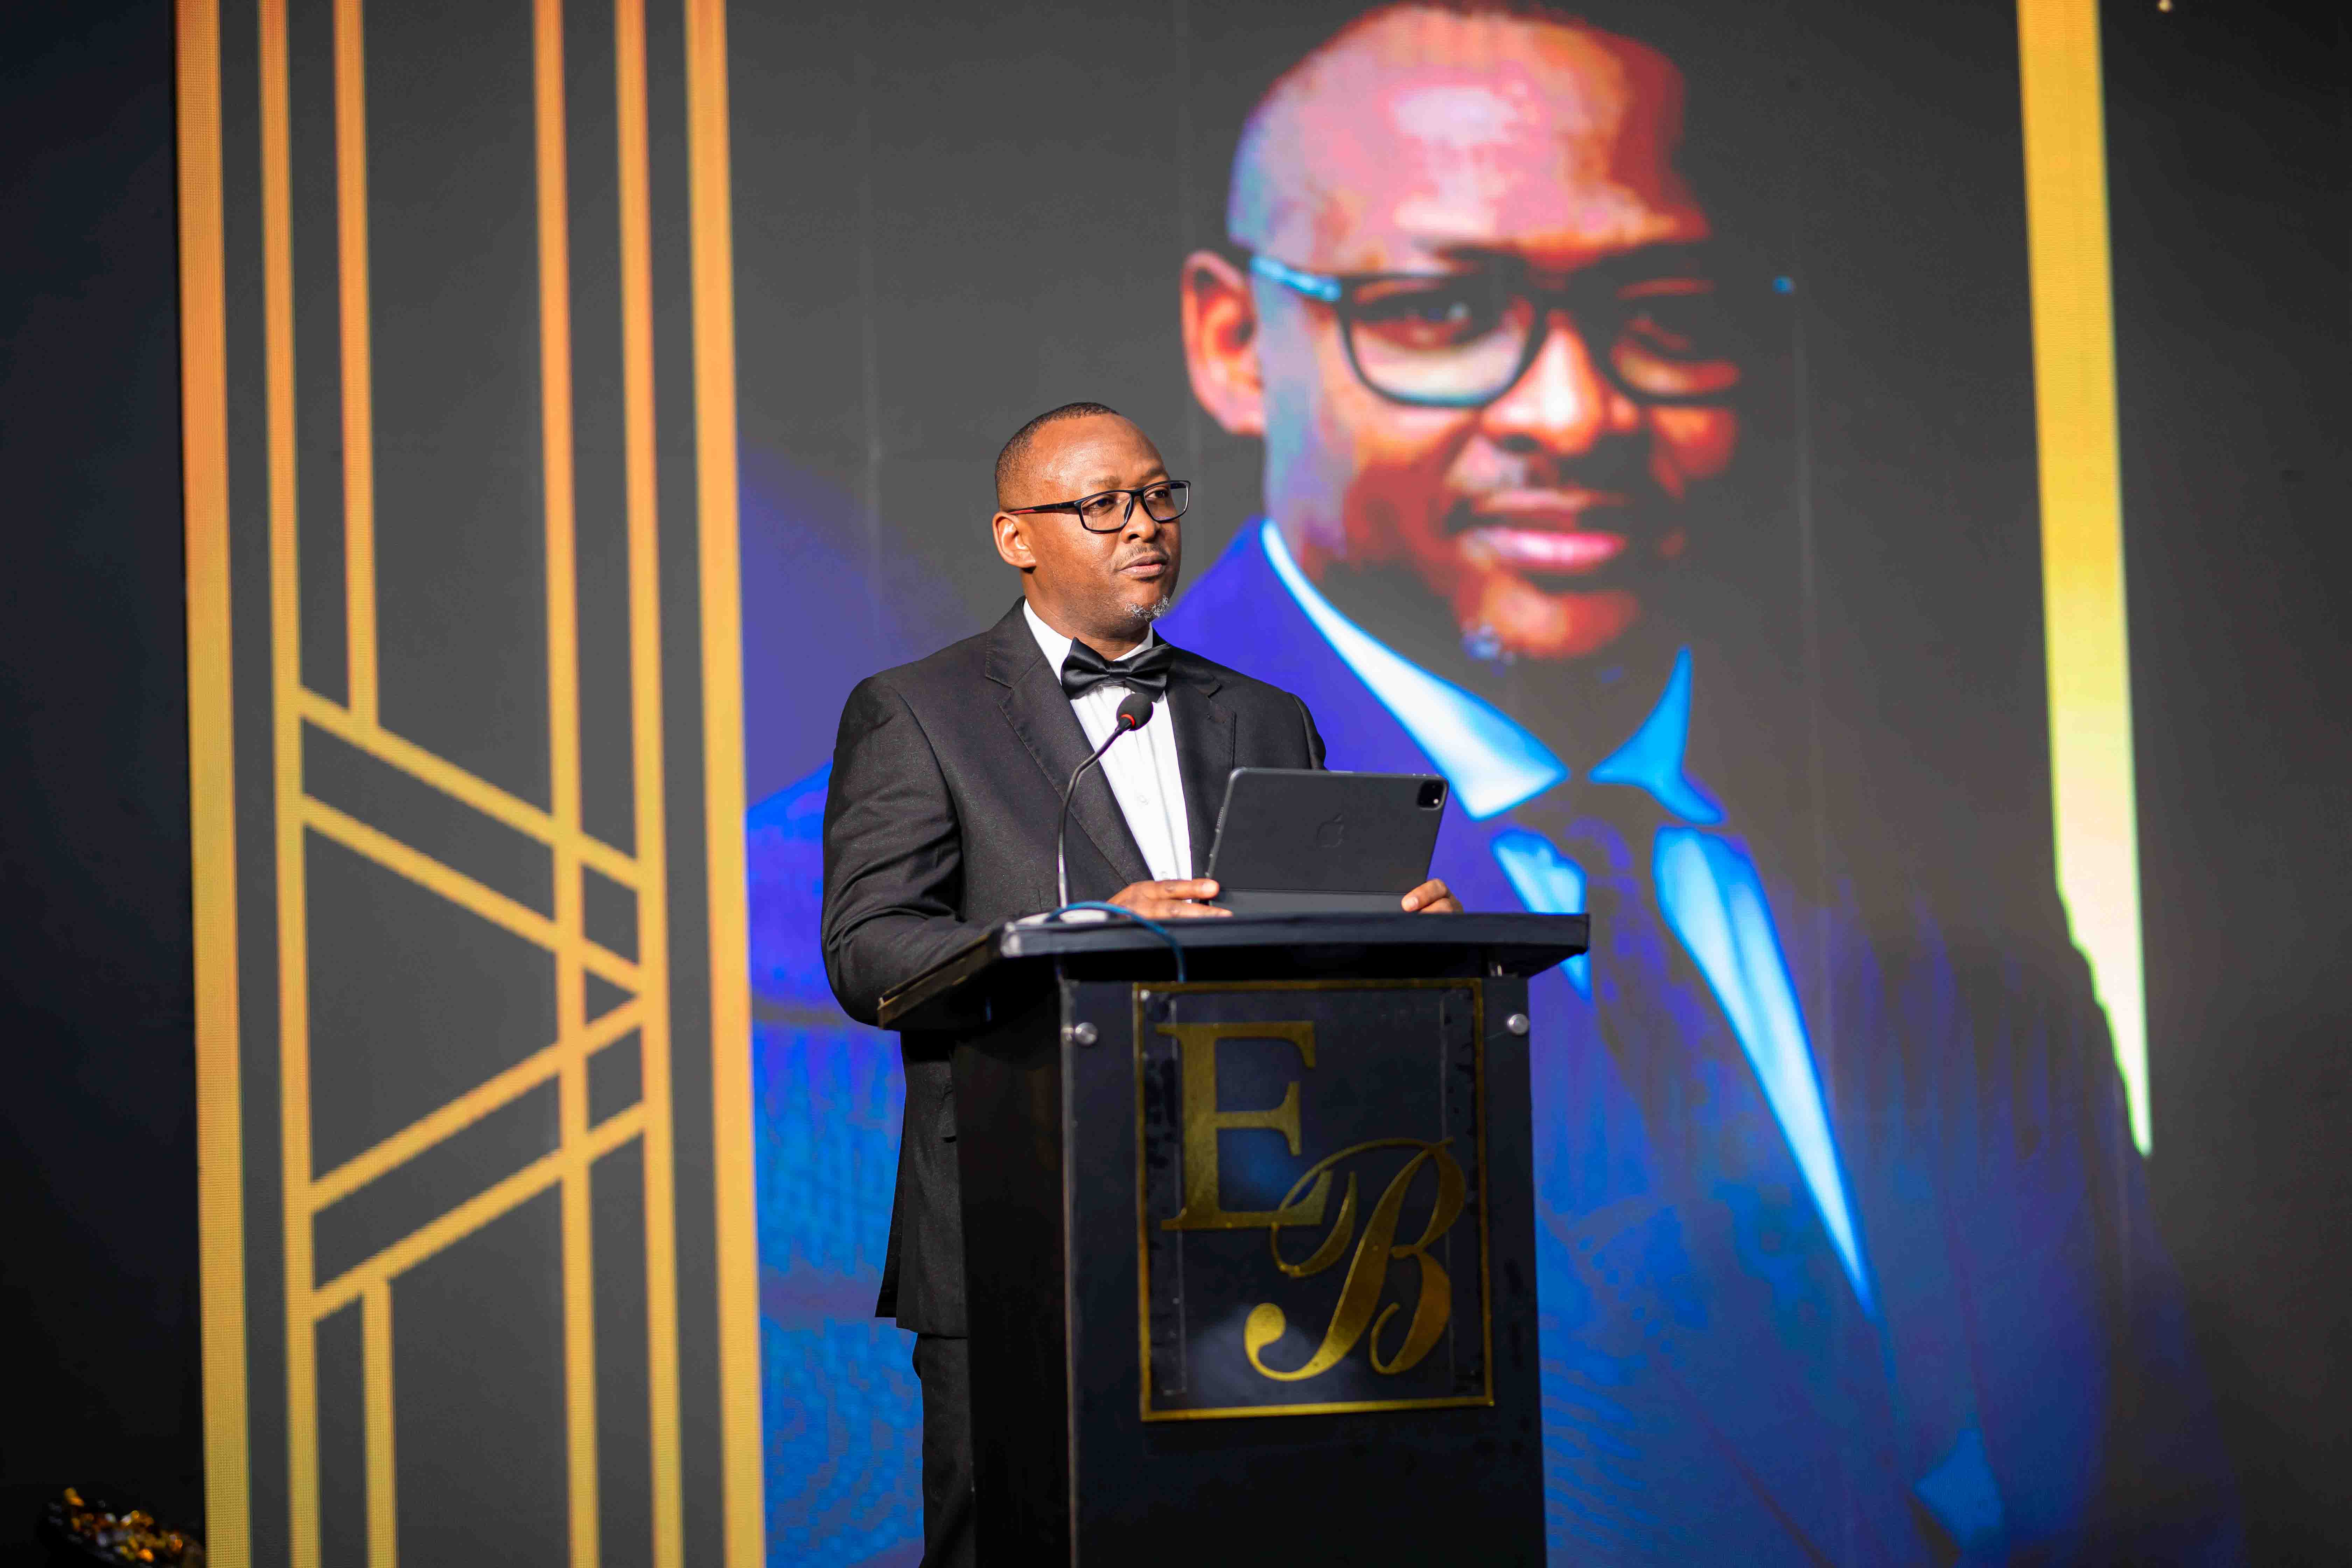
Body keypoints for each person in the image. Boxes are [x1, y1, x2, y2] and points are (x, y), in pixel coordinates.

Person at [1161, 3, 2241, 1562]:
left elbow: (2147, 1478)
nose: (1575, 413)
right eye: (1443, 310)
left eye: (1663, 313)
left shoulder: (1933, 826)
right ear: (1232, 342)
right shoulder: (1035, 849)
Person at [817, 402, 1455, 1567]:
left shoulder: (1263, 714)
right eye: (1102, 505)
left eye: (1159, 496)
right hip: (1019, 1214)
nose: (1144, 525)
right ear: (1016, 537)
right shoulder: (919, 711)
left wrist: (1397, 943)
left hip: (1254, 1225)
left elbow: (1300, 964)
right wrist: (1085, 931)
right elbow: (871, 950)